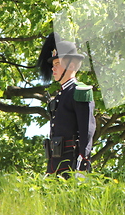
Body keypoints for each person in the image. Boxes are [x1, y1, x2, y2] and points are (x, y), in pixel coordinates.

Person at [37, 33, 96, 177]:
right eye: (53, 65)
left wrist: (82, 163)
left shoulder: (80, 91)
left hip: (71, 163)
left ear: (72, 65)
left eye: (57, 64)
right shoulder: (61, 95)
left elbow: (86, 130)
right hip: (55, 163)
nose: (53, 68)